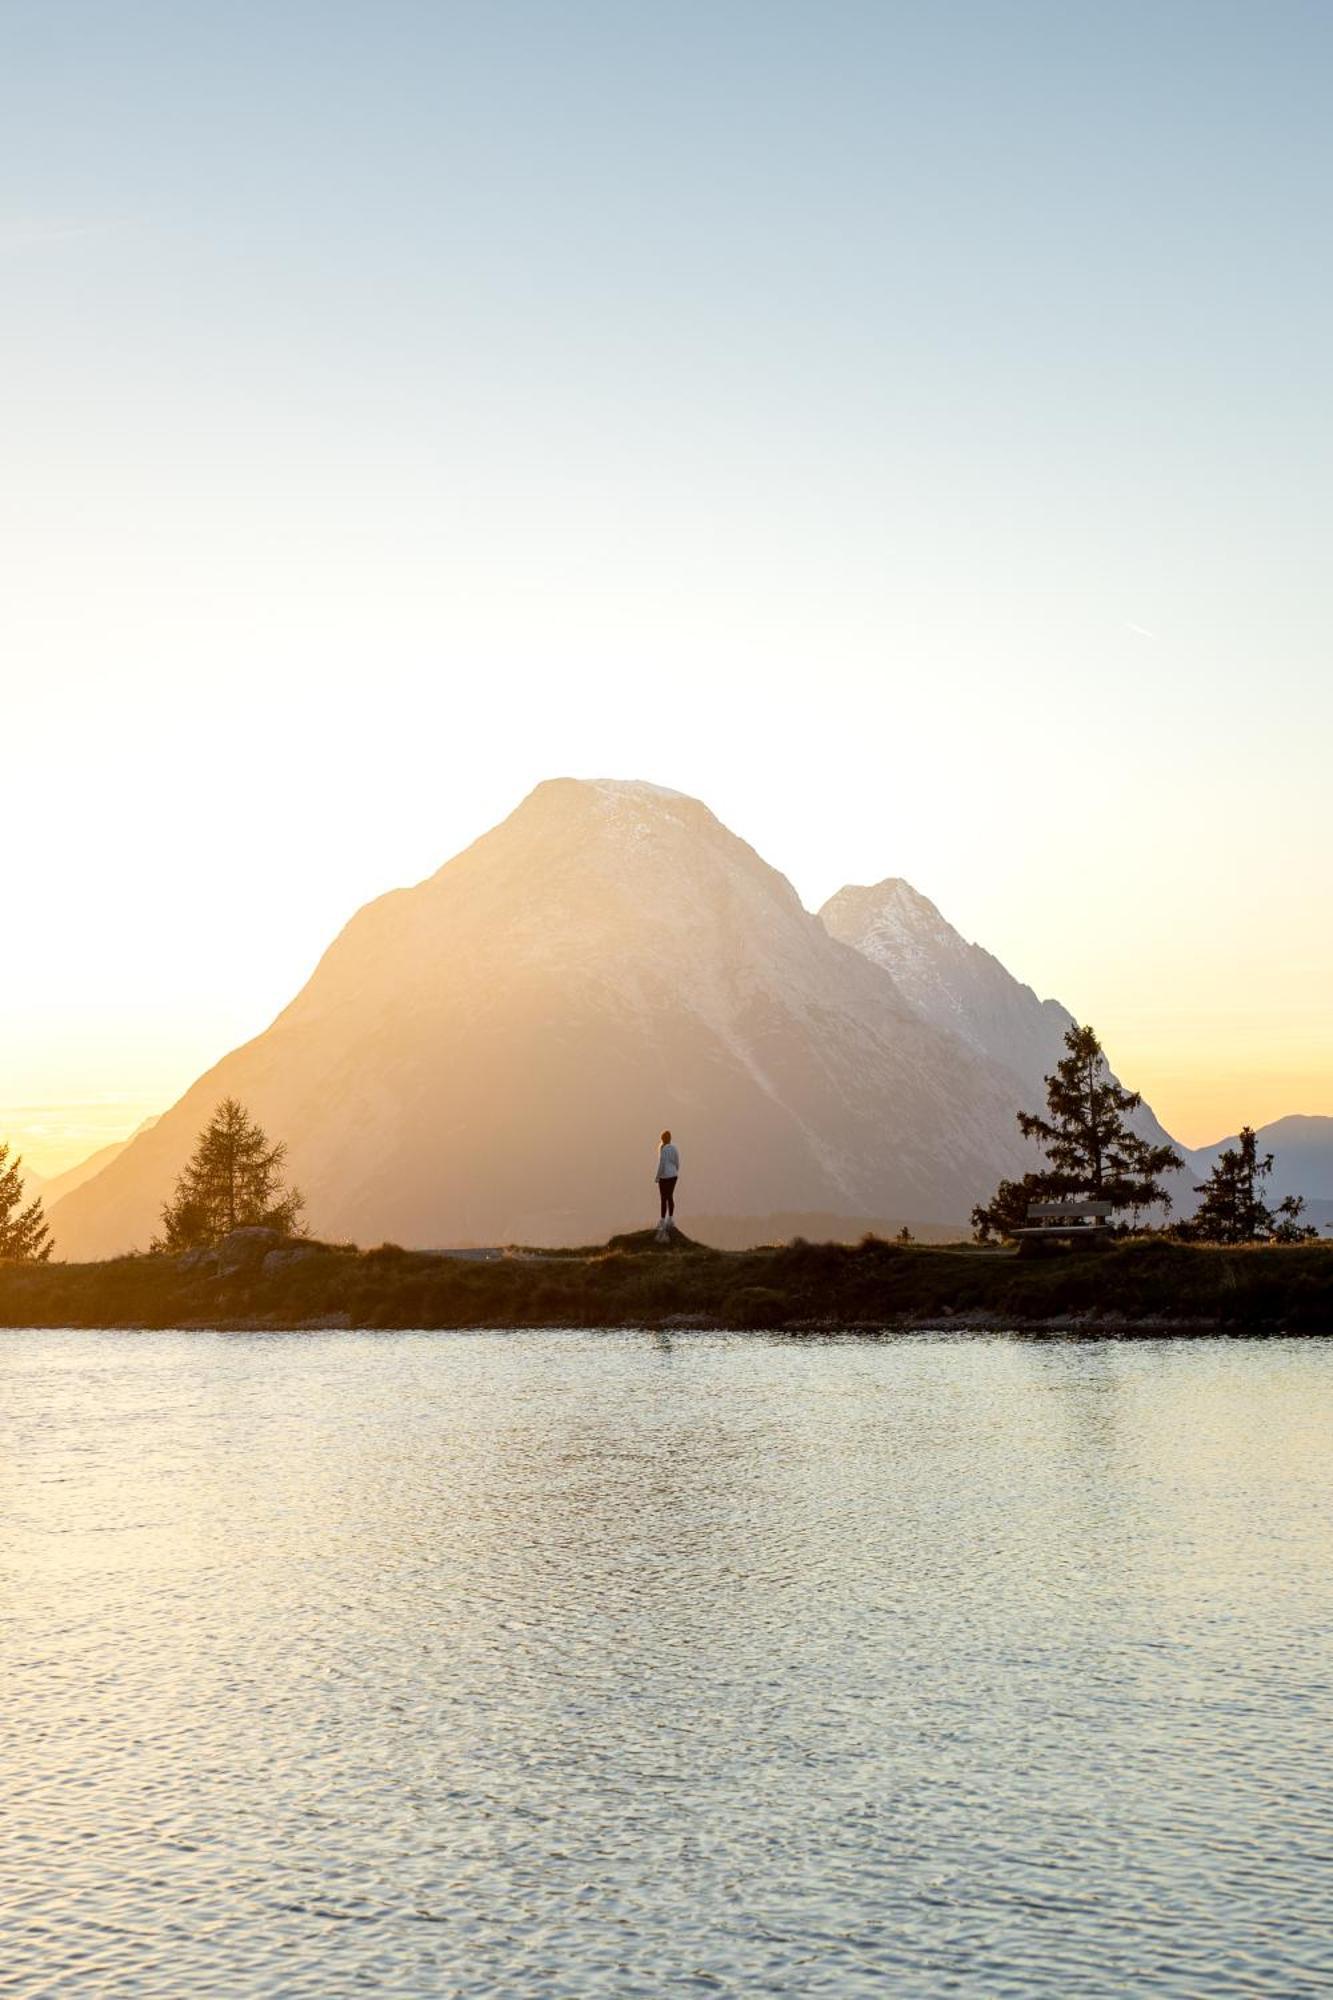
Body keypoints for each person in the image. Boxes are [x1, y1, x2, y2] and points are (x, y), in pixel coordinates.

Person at [655, 1129, 680, 1227]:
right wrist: (675, 1171)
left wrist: (657, 1177)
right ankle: (670, 1219)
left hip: (664, 1177)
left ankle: (662, 1220)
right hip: (673, 1176)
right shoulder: (674, 1148)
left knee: (663, 1198)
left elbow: (661, 1164)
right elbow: (677, 1162)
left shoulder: (663, 1149)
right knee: (670, 1197)